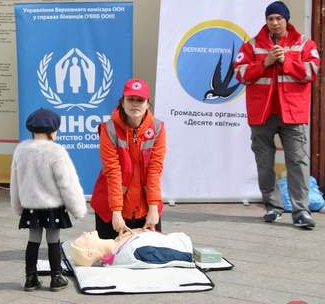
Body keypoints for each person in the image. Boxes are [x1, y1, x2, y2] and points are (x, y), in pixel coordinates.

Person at [233, 1, 321, 229]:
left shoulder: (304, 43)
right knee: (264, 163)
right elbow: (240, 74)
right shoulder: (252, 45)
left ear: (286, 20)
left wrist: (286, 60)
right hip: (262, 114)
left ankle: (302, 211)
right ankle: (273, 206)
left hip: (292, 113)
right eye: (270, 18)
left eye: (278, 19)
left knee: (298, 162)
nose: (274, 23)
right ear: (266, 21)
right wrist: (266, 62)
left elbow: (312, 71)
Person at [10, 107, 87, 291]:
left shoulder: (21, 150)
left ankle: (30, 278)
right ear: (53, 131)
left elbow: (15, 181)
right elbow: (67, 183)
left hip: (31, 206)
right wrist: (77, 209)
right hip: (53, 206)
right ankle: (56, 277)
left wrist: (18, 206)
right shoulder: (56, 151)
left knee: (33, 241)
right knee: (54, 240)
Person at [90, 78, 167, 239]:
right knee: (109, 259)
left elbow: (155, 170)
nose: (135, 104)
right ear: (122, 102)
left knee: (148, 257)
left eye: (140, 100)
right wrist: (116, 212)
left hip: (145, 207)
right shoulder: (108, 129)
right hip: (111, 207)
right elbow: (113, 172)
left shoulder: (158, 128)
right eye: (130, 99)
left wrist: (153, 209)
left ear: (147, 103)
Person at [69, 230, 193, 268]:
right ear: (91, 253)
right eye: (83, 240)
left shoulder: (120, 246)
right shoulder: (133, 252)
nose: (84, 233)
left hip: (179, 239)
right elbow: (179, 254)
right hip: (184, 244)